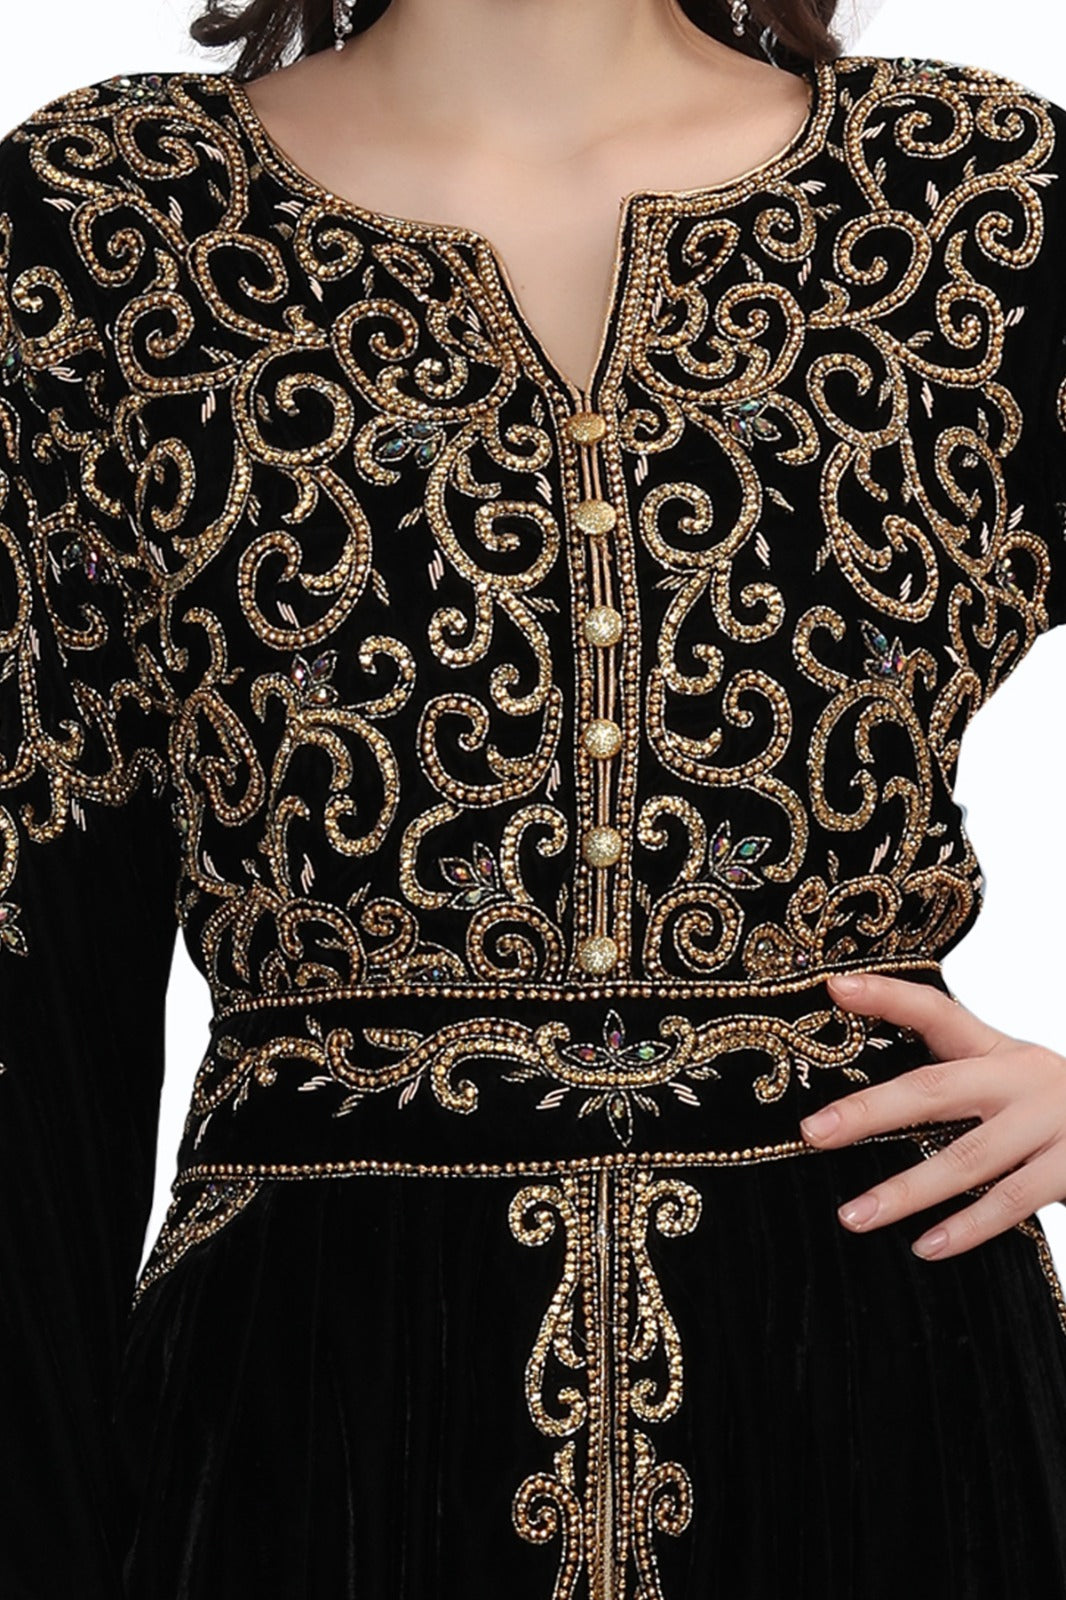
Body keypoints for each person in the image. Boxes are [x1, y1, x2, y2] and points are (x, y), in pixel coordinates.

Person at [3, 0, 1066, 1593]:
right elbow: (32, 968)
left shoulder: (973, 196)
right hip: (315, 1410)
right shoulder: (111, 216)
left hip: (882, 1371)